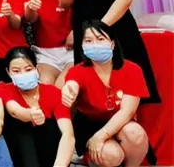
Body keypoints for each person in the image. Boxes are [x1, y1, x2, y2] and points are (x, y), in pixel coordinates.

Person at [62, 21, 151, 167]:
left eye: (100, 39)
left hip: (121, 122)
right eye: (88, 41)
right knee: (112, 156)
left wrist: (101, 136)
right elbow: (72, 84)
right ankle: (87, 158)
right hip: (89, 125)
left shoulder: (132, 70)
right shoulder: (77, 71)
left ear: (112, 44)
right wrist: (69, 90)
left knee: (136, 134)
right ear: (82, 46)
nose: (95, 44)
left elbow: (127, 112)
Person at [0, 47, 75, 167]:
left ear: (37, 69)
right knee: (21, 126)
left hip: (50, 156)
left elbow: (67, 134)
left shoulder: (53, 93)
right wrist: (30, 115)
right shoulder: (4, 89)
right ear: (8, 72)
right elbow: (14, 110)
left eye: (28, 69)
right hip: (19, 153)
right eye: (16, 71)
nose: (23, 74)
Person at [18, 0, 72, 86]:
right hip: (44, 53)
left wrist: (76, 31)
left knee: (63, 86)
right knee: (46, 86)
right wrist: (31, 8)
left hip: (71, 51)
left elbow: (83, 12)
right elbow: (30, 19)